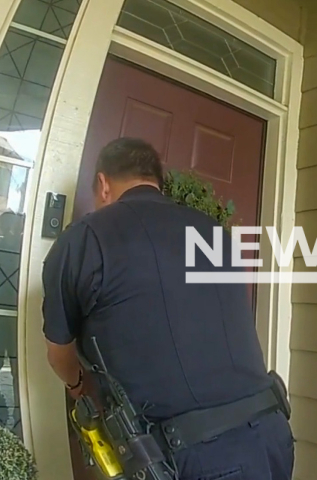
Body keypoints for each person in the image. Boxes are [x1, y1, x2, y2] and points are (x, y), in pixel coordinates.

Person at [41, 137, 294, 480]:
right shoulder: (214, 232)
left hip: (201, 455)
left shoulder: (84, 238)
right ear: (155, 180)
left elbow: (60, 356)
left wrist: (78, 388)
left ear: (103, 184)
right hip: (273, 434)